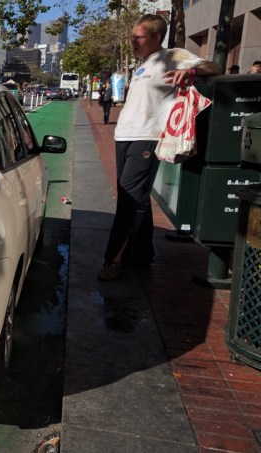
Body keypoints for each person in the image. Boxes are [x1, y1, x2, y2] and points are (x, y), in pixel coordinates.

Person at [97, 14, 221, 281]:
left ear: (156, 37)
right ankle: (143, 254)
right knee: (135, 196)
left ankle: (113, 260)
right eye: (132, 36)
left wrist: (191, 70)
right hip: (124, 135)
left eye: (138, 37)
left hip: (147, 137)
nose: (133, 41)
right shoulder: (143, 64)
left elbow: (215, 67)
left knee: (128, 201)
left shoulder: (172, 55)